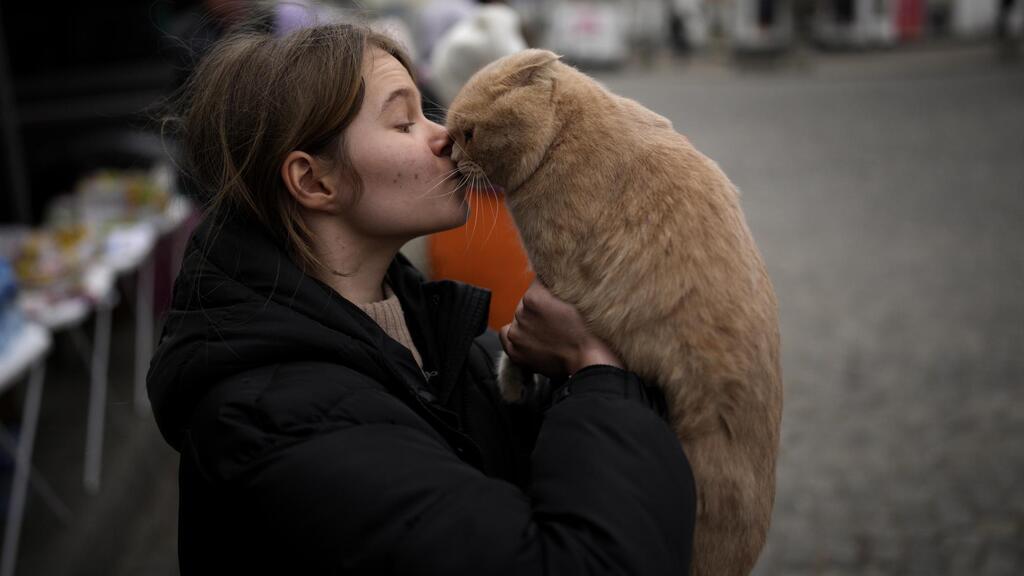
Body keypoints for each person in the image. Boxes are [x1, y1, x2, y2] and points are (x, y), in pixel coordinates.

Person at [147, 15, 696, 576]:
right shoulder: (279, 424)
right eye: (405, 122)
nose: (445, 135)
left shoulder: (426, 338)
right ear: (314, 183)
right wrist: (596, 368)